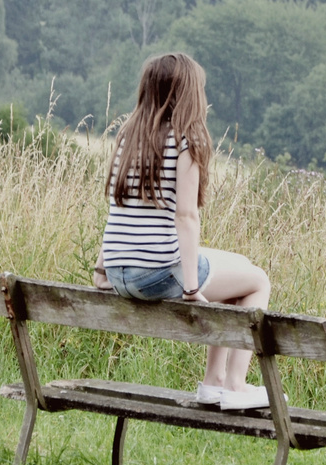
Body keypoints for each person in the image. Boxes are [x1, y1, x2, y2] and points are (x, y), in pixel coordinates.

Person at [98, 52, 273, 411]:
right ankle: (235, 384)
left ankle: (215, 382)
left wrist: (103, 268)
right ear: (189, 93)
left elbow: (119, 207)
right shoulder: (185, 141)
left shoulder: (128, 136)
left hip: (118, 273)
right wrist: (191, 287)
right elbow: (186, 217)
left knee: (236, 265)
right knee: (256, 281)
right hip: (156, 275)